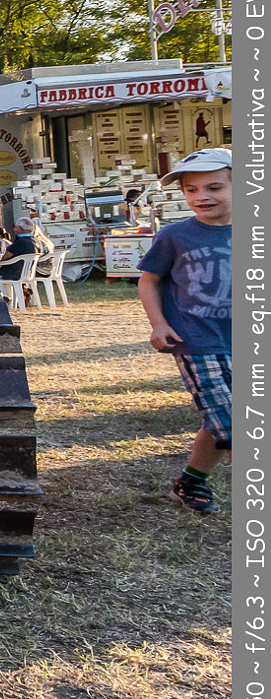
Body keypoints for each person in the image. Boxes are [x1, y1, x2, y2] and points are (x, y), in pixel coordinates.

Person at [136, 147, 232, 515]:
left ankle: (190, 482)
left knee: (218, 420)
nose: (201, 197)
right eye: (191, 190)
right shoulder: (175, 235)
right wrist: (159, 324)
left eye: (213, 187)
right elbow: (149, 281)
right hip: (196, 341)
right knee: (230, 420)